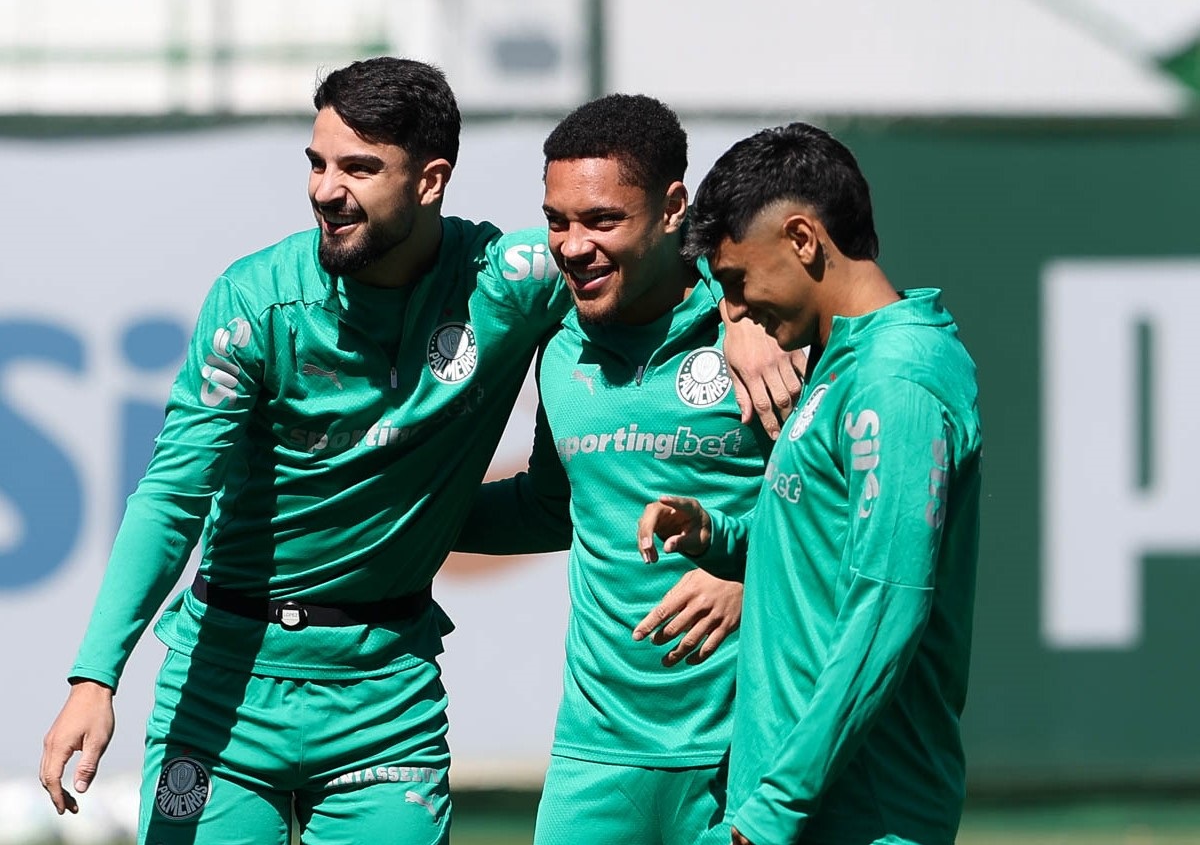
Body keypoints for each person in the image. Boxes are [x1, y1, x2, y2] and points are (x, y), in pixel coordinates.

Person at [37, 59, 801, 844]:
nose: (326, 189)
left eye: (359, 168)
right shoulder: (254, 304)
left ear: (431, 181)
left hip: (384, 704)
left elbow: (648, 256)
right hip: (222, 691)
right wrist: (95, 675)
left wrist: (739, 311)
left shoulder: (509, 281)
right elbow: (171, 497)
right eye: (317, 163)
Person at [638, 122, 983, 845]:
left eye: (737, 281)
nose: (732, 310)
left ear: (802, 239)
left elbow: (888, 604)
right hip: (795, 810)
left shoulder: (897, 379)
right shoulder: (842, 361)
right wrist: (718, 536)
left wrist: (775, 808)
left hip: (857, 813)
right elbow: (827, 546)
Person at [455, 94, 775, 845]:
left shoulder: (764, 331)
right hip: (595, 753)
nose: (572, 246)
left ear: (673, 210)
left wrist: (753, 576)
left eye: (602, 220)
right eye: (557, 220)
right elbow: (548, 508)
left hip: (748, 749)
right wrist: (394, 511)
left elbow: (841, 509)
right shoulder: (560, 346)